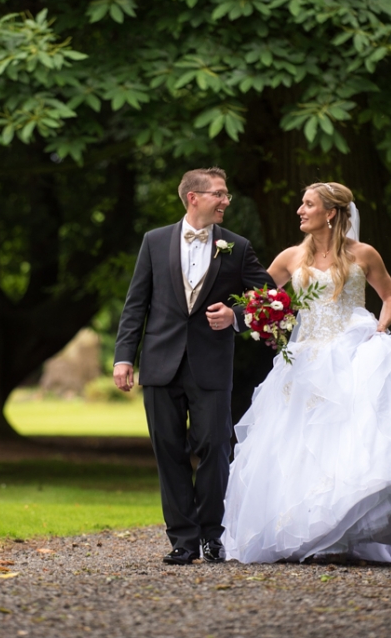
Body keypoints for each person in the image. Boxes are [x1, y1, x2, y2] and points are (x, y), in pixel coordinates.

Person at [222, 182, 391, 565]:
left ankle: (352, 531)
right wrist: (265, 317)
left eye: (308, 204)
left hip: (354, 351)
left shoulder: (363, 254)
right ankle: (308, 532)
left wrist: (382, 328)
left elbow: (390, 296)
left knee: (353, 437)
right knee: (301, 442)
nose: (300, 211)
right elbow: (259, 298)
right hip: (306, 360)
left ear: (330, 213)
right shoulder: (290, 257)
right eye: (301, 204)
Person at [113, 167, 274, 565]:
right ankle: (182, 540)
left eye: (227, 194)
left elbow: (270, 298)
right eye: (219, 194)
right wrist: (123, 356)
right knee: (168, 451)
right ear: (194, 198)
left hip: (212, 365)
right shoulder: (154, 241)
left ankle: (212, 536)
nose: (226, 201)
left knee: (215, 449)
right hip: (160, 364)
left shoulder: (236, 246)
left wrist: (235, 316)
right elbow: (137, 304)